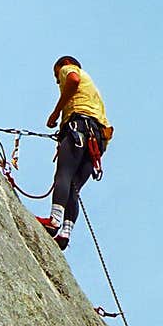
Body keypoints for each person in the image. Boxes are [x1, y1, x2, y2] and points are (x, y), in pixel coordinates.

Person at [37, 56, 112, 250]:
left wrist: (55, 114)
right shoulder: (94, 93)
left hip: (79, 126)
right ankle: (65, 233)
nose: (57, 80)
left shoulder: (68, 68)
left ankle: (54, 220)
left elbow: (72, 81)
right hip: (98, 139)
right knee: (74, 186)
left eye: (56, 75)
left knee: (63, 174)